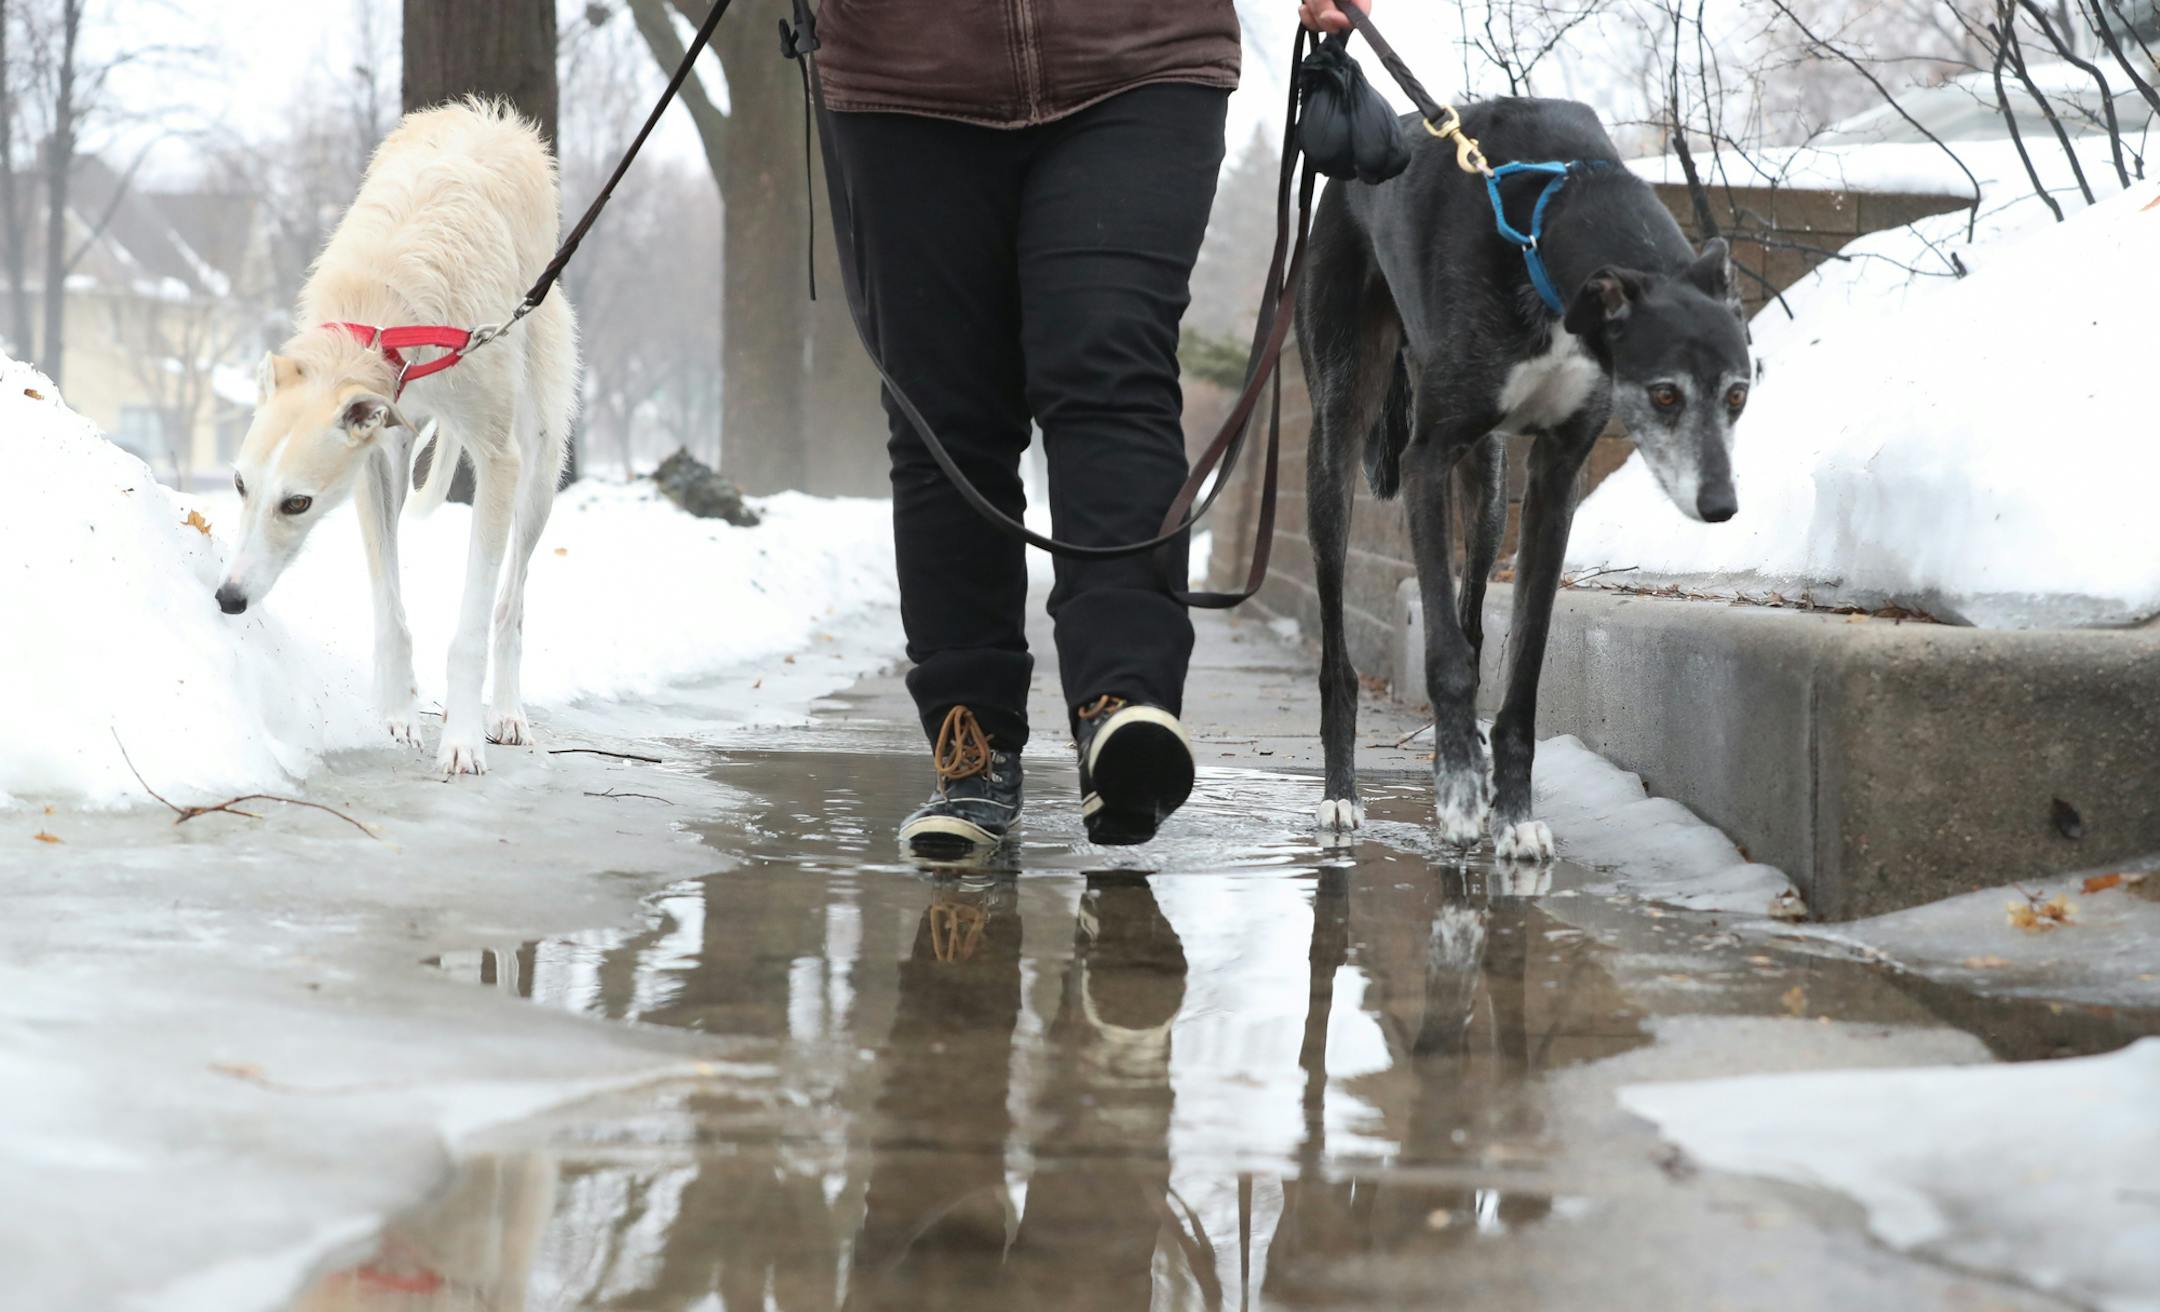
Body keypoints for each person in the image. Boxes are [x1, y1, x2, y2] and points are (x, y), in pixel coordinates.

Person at [815, 0, 1372, 856]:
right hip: (904, 74)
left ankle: (1124, 710)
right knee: (944, 418)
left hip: (1139, 52)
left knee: (1110, 366)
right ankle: (973, 748)